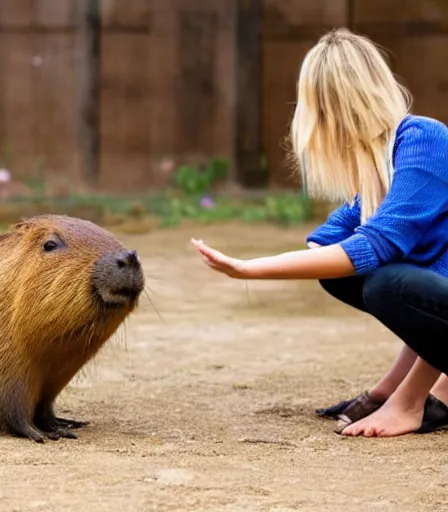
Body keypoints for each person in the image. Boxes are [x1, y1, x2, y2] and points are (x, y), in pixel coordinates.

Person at [191, 28, 448, 438]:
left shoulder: (424, 140)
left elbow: (378, 249)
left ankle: (418, 400)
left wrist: (249, 269)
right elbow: (331, 237)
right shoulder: (383, 170)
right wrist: (387, 389)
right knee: (351, 273)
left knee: (390, 282)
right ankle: (396, 392)